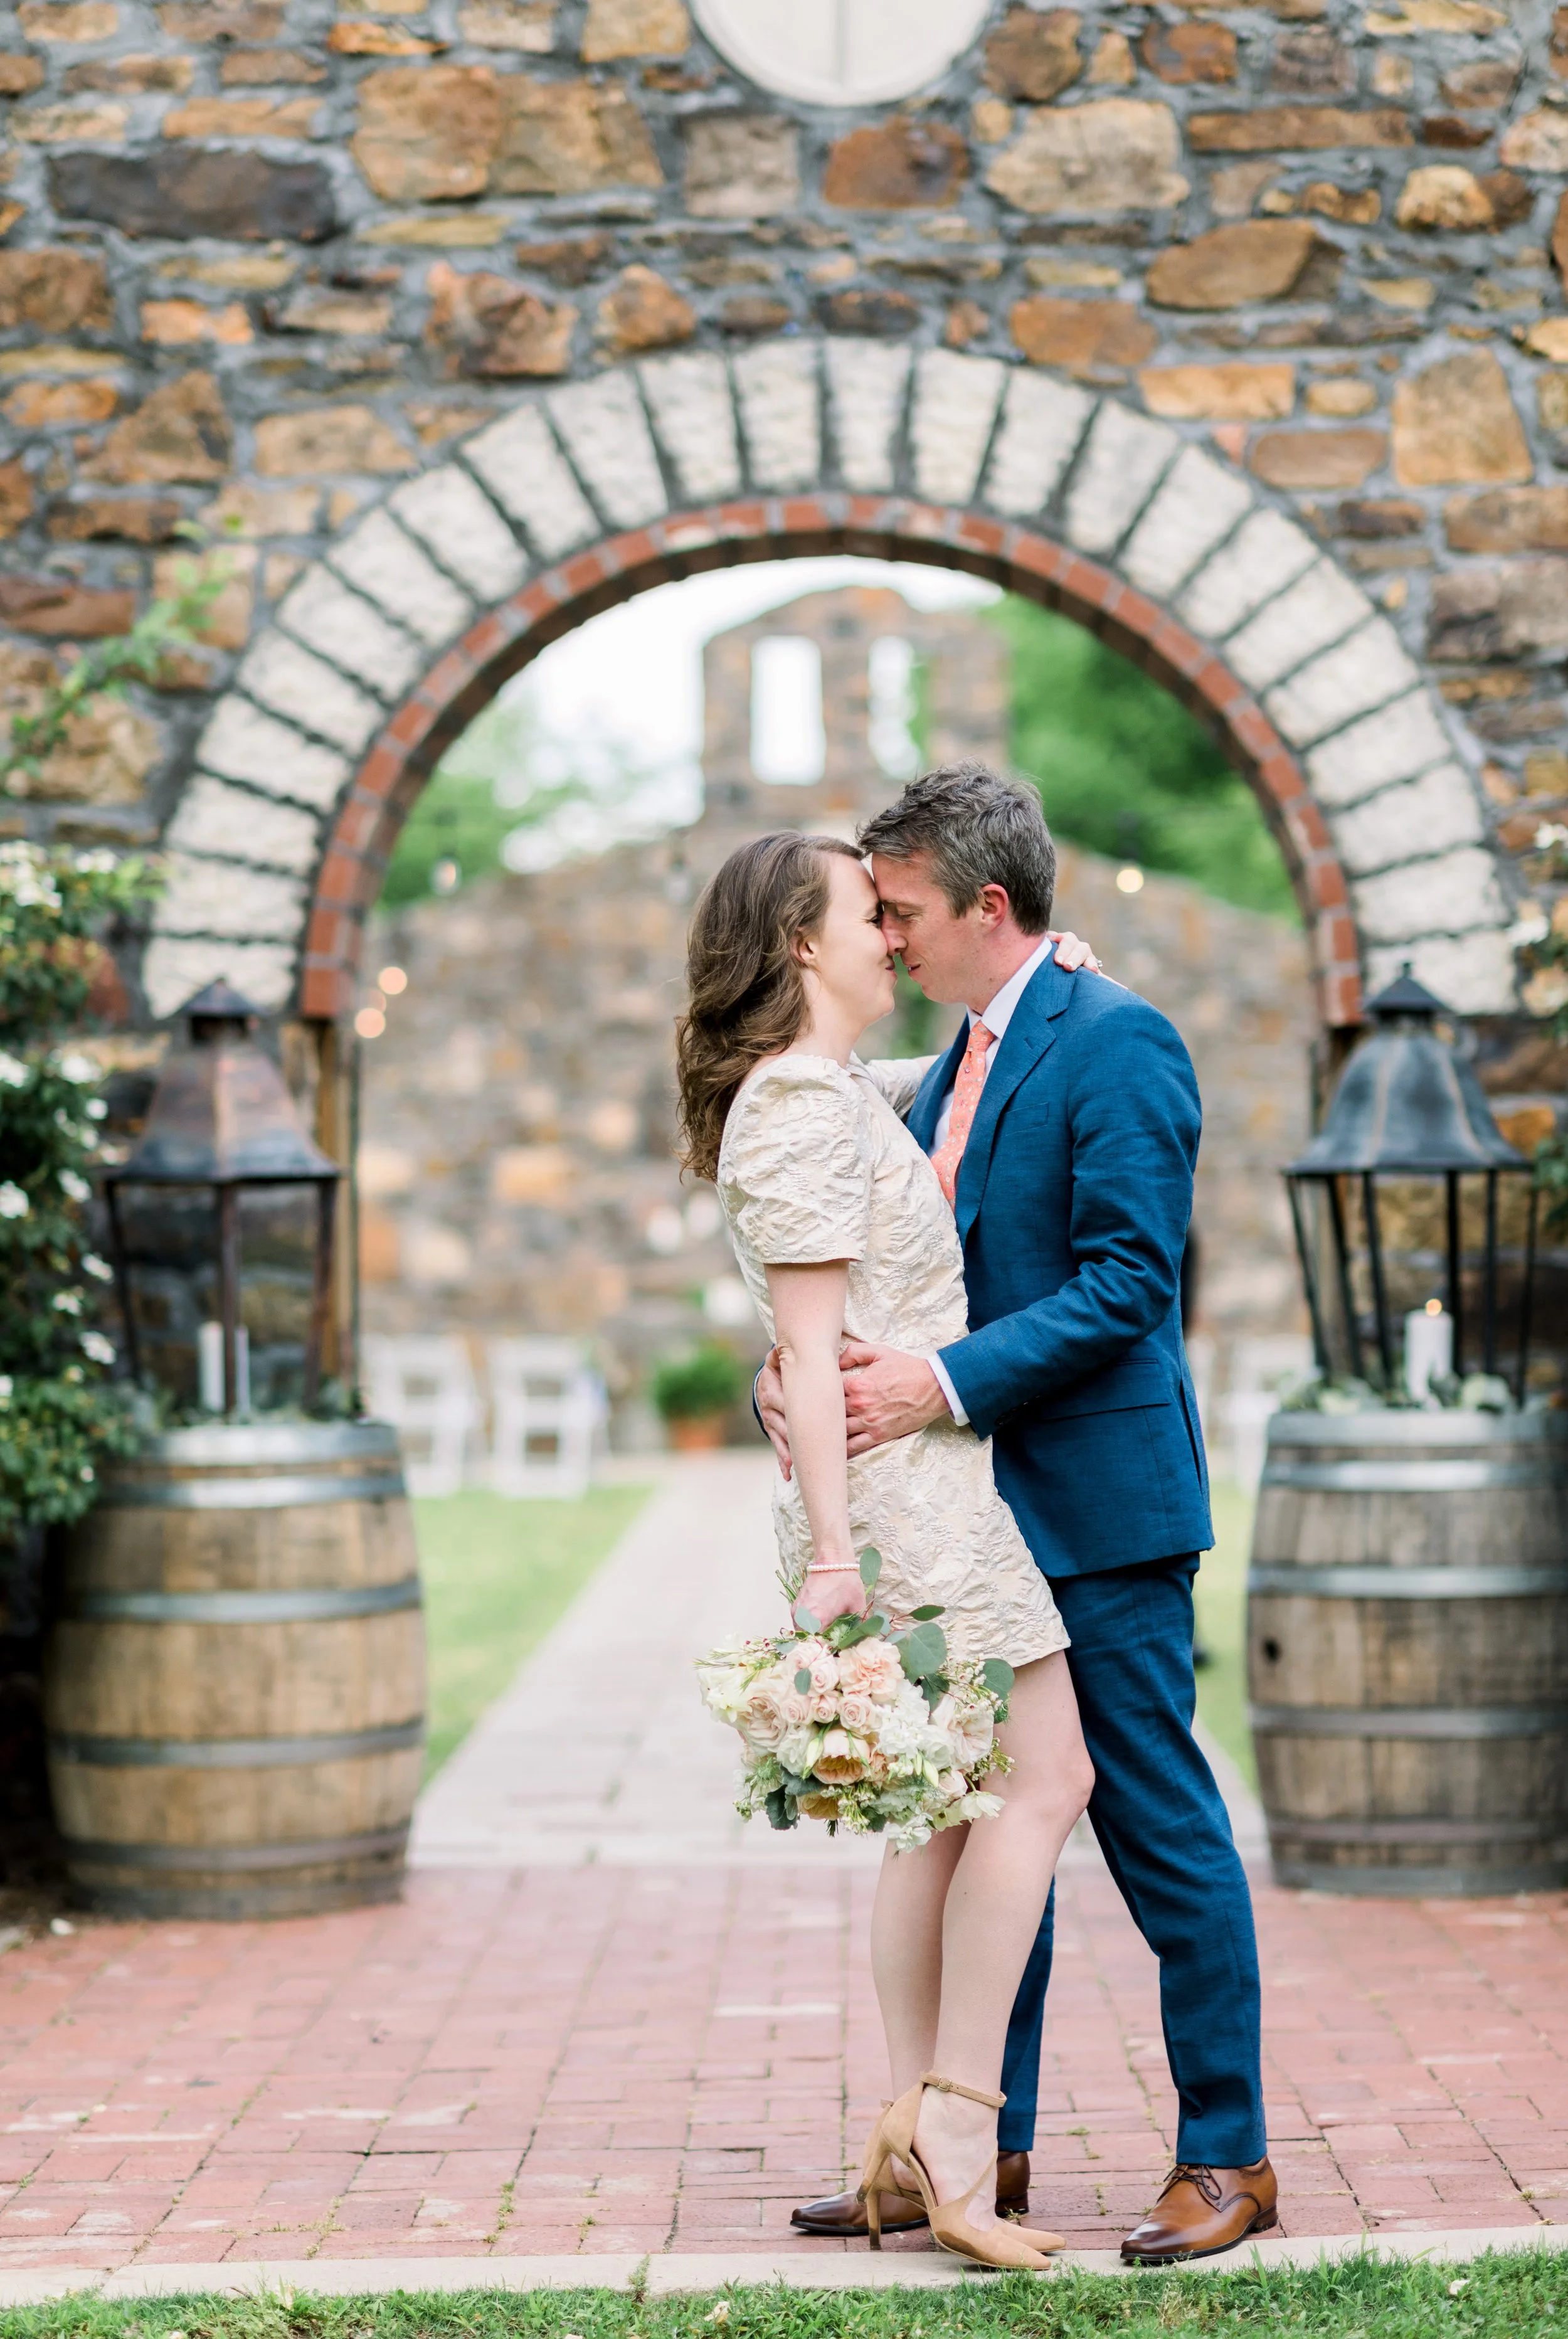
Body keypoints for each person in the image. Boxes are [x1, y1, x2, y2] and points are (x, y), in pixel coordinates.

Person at [761, 765, 1276, 2267]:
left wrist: (932, 1384)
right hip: (974, 1521)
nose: (891, 936)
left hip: (1097, 1506)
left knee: (1153, 1825)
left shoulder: (1121, 1042)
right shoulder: (951, 1062)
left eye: (905, 910)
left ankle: (1226, 2153)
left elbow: (1127, 1286)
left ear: (991, 906)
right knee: (992, 1832)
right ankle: (972, 2147)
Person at [676, 829, 1096, 2273]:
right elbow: (800, 1341)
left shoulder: (836, 1090)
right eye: (871, 912)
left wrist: (1048, 985)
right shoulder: (796, 1103)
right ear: (802, 943)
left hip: (916, 1480)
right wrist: (832, 1569)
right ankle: (961, 2132)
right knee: (1043, 1780)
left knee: (942, 1817)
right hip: (900, 1502)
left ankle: (915, 2127)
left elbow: (942, 1095)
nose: (894, 935)